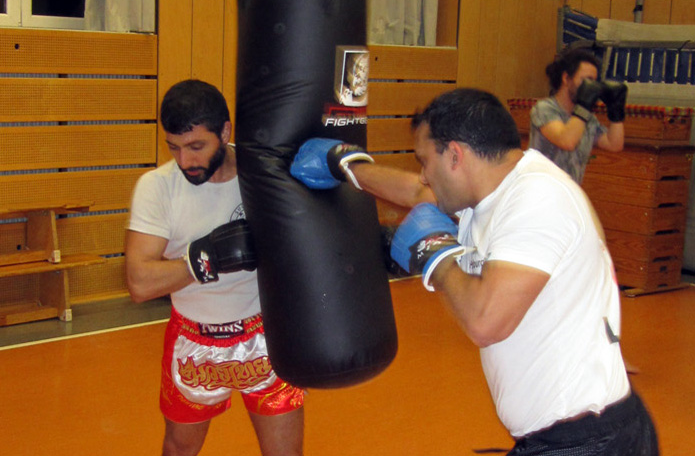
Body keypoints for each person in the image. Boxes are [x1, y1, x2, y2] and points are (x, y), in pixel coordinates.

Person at [290, 88, 659, 455]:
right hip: (565, 438)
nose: (422, 175)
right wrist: (347, 166)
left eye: (424, 161)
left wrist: (434, 254)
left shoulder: (538, 200)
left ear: (455, 155)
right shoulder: (488, 191)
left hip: (591, 443)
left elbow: (486, 321)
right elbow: (415, 192)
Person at [125, 79, 305, 456]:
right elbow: (139, 283)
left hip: (265, 336)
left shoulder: (263, 175)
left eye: (196, 146)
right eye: (173, 147)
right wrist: (206, 257)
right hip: (194, 342)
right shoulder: (157, 187)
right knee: (179, 449)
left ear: (225, 132)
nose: (185, 161)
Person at [529, 48, 627, 184]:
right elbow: (567, 141)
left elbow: (614, 144)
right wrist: (584, 105)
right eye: (586, 80)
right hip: (542, 194)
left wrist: (616, 112)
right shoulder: (544, 108)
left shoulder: (587, 118)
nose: (591, 86)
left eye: (594, 81)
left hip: (569, 195)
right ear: (566, 78)